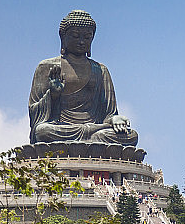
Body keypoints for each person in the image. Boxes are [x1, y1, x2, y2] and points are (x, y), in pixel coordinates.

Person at [28, 10, 138, 145]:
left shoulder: (101, 70)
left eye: (87, 37)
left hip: (96, 129)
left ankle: (88, 142)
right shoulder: (46, 67)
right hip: (61, 129)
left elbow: (109, 114)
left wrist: (115, 119)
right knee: (43, 131)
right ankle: (91, 144)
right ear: (63, 37)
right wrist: (53, 95)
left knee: (130, 135)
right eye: (75, 36)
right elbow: (34, 112)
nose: (81, 42)